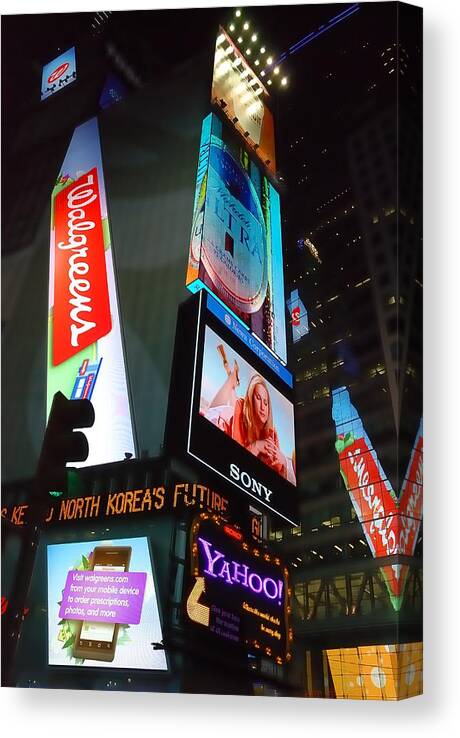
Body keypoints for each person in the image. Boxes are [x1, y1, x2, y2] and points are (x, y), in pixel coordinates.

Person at [204, 343, 292, 480]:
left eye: (266, 402)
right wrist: (256, 447)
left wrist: (281, 464)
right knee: (220, 410)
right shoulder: (237, 414)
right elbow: (231, 460)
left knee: (232, 396)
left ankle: (231, 377)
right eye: (258, 398)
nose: (263, 407)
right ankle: (231, 377)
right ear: (251, 399)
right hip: (222, 425)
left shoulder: (271, 436)